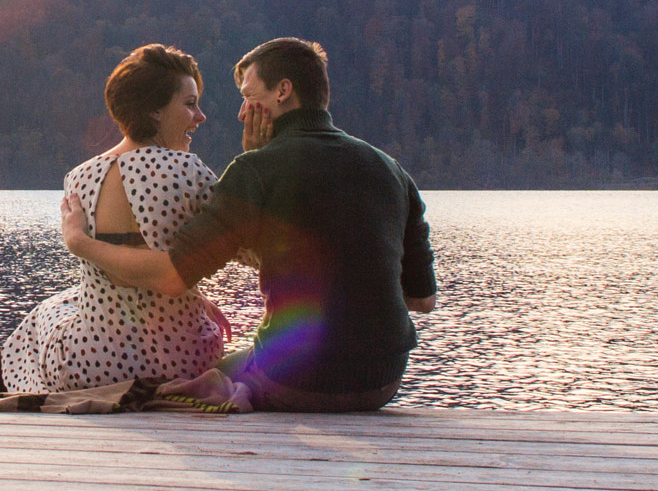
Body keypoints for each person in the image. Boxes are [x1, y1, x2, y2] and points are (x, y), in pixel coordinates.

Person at [61, 36, 436, 411]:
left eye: (248, 96)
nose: (242, 113)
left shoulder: (254, 171)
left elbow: (172, 276)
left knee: (204, 376)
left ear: (283, 92)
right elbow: (422, 300)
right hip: (383, 382)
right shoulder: (394, 172)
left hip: (297, 383)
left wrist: (81, 243)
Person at [0, 43, 230, 393]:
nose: (200, 116)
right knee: (61, 303)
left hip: (94, 365)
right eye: (190, 104)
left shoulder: (78, 178)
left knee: (44, 316)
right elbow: (240, 246)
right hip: (182, 360)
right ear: (154, 112)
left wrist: (81, 244)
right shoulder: (187, 169)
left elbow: (129, 278)